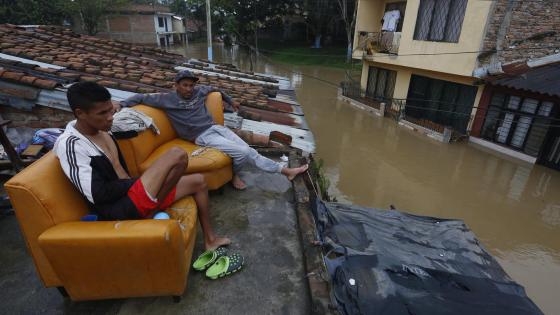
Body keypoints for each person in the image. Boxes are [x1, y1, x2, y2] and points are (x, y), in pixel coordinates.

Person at [54, 81, 230, 251]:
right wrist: (138, 182)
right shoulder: (71, 145)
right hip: (118, 208)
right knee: (176, 155)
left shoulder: (102, 130)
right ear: (80, 113)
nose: (110, 117)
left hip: (134, 194)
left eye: (111, 110)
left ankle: (210, 240)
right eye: (102, 113)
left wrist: (143, 182)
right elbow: (97, 194)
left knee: (199, 181)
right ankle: (151, 211)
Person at [117, 70, 308, 190]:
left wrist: (231, 100)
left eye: (191, 85)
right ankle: (236, 175)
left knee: (249, 150)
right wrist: (122, 104)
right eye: (184, 85)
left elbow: (215, 89)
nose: (189, 89)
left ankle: (285, 171)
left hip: (215, 127)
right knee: (242, 151)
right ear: (176, 86)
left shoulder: (200, 91)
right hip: (200, 136)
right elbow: (141, 97)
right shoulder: (166, 99)